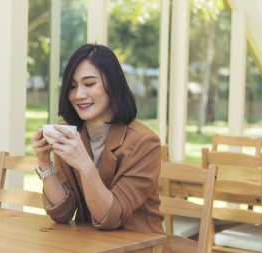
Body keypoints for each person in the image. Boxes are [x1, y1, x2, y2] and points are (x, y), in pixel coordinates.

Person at [31, 44, 169, 251]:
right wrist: (44, 163)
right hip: (90, 246)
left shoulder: (144, 143)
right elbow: (62, 213)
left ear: (112, 85)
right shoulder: (72, 136)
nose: (79, 95)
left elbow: (111, 217)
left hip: (138, 247)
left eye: (89, 84)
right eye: (72, 86)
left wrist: (85, 165)